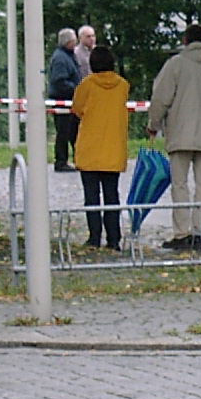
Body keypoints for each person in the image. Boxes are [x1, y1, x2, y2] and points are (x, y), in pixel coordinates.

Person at [147, 23, 201, 253]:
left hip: (180, 134)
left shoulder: (175, 65)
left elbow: (161, 98)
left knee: (179, 185)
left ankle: (182, 232)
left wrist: (154, 125)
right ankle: (198, 231)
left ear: (184, 41)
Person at [69, 46, 130, 251]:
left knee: (92, 197)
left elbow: (77, 109)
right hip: (113, 149)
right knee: (112, 196)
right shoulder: (122, 86)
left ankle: (94, 236)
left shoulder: (85, 85)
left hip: (90, 148)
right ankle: (114, 238)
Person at [48, 28, 83, 172]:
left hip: (70, 101)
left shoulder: (68, 56)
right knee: (64, 132)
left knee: (73, 131)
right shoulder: (61, 59)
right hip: (62, 101)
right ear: (69, 41)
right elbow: (58, 81)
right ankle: (61, 161)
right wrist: (76, 88)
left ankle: (77, 158)